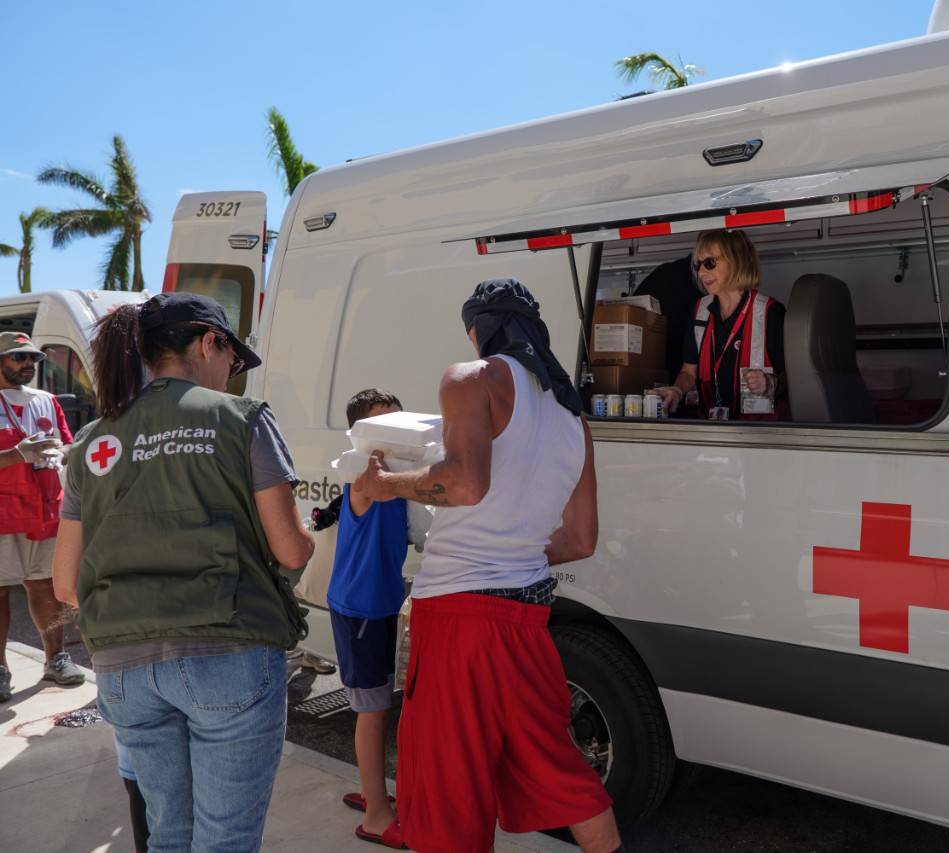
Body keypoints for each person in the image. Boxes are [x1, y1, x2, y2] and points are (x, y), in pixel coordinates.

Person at [354, 279, 619, 853]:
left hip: (458, 617)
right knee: (562, 771)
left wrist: (385, 485)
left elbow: (467, 484)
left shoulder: (473, 378)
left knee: (447, 787)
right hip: (527, 620)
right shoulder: (575, 420)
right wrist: (515, 546)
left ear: (479, 330)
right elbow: (580, 539)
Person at [51, 292, 314, 852]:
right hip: (230, 653)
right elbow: (291, 552)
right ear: (208, 342)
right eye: (232, 360)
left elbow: (65, 584)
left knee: (168, 835)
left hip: (122, 669)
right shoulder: (241, 419)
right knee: (225, 840)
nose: (231, 374)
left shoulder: (92, 441)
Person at [328, 388, 412, 848]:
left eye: (401, 425)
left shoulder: (393, 476)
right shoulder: (366, 478)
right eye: (384, 428)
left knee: (379, 705)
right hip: (359, 609)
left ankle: (371, 790)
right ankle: (377, 815)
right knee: (373, 710)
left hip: (377, 605)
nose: (395, 437)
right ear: (360, 437)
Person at [0, 331, 84, 703]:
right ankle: (0, 670)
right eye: (18, 358)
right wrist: (17, 455)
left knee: (47, 587)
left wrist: (64, 454)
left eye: (32, 359)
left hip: (45, 508)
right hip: (2, 513)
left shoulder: (48, 401)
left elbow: (67, 444)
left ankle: (57, 658)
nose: (27, 365)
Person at [654, 229, 788, 421]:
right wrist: (677, 389)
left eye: (710, 263)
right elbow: (688, 372)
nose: (701, 272)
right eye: (698, 264)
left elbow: (793, 380)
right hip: (714, 432)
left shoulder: (770, 312)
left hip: (760, 434)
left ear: (736, 260)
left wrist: (771, 383)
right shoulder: (699, 310)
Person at [633, 253, 702, 381]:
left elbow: (634, 313)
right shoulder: (702, 292)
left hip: (659, 367)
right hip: (680, 368)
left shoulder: (665, 273)